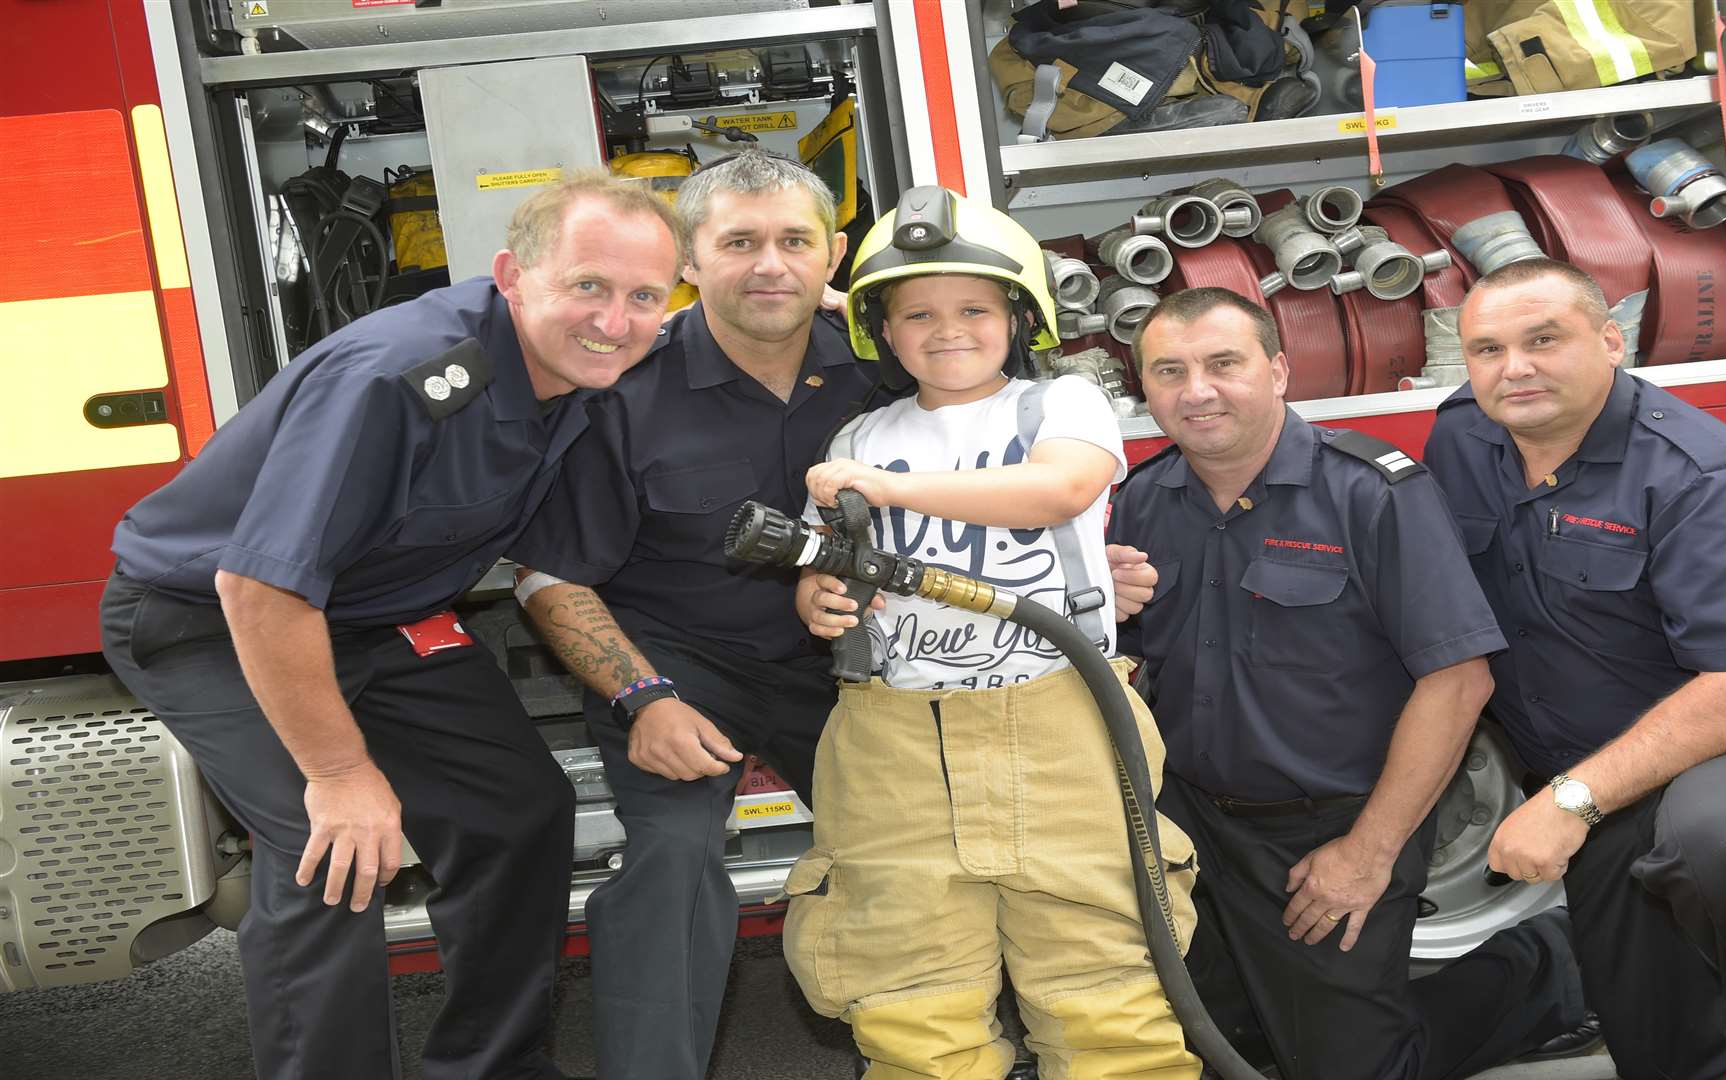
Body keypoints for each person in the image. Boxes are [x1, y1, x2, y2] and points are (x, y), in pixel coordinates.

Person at [511, 154, 1161, 1080]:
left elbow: (1022, 473)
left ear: (835, 257)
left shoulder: (883, 361)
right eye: (739, 242)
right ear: (692, 257)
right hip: (685, 667)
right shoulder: (624, 386)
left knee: (944, 870)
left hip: (868, 671)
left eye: (793, 242)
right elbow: (549, 576)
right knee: (669, 859)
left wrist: (1089, 571)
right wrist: (642, 697)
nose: (769, 265)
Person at [97, 172, 684, 1080]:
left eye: (646, 296)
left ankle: (493, 1068)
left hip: (378, 614)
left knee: (518, 810)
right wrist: (340, 773)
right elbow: (259, 589)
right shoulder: (398, 377)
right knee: (325, 849)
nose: (616, 319)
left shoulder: (581, 371)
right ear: (513, 275)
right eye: (588, 286)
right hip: (213, 620)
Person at [1422, 257, 1726, 1078]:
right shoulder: (1465, 436)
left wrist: (1569, 802)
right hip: (1599, 761)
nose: (1515, 368)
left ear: (1611, 341)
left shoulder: (1704, 475)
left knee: (1722, 839)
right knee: (1662, 1047)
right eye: (1487, 349)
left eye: (1544, 339)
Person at [1108, 286, 1588, 1080]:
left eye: (1223, 364)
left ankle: (1556, 966)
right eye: (1169, 372)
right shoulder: (1143, 501)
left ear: (1278, 371)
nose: (1196, 391)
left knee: (1347, 1066)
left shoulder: (1370, 491)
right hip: (1193, 825)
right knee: (1217, 1042)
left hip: (1330, 829)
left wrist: (1368, 853)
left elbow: (1459, 681)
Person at [788, 185, 1200, 1080]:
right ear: (880, 332)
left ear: (1019, 317)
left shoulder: (1061, 407)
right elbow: (831, 564)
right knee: (908, 999)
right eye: (917, 313)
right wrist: (817, 598)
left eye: (974, 307)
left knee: (1105, 995)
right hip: (893, 738)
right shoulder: (861, 432)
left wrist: (889, 488)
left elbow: (1055, 491)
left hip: (1061, 720)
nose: (947, 329)